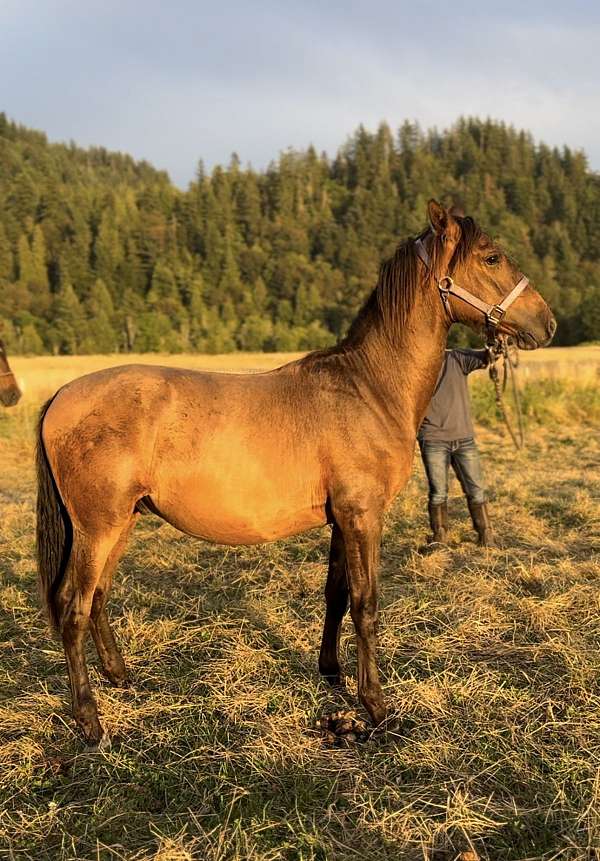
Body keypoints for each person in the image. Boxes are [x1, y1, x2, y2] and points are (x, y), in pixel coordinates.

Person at [418, 347, 494, 547]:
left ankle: (486, 535)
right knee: (438, 492)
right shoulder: (415, 363)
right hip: (432, 438)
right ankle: (440, 536)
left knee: (477, 490)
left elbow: (488, 357)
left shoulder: (457, 358)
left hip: (464, 438)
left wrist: (498, 344)